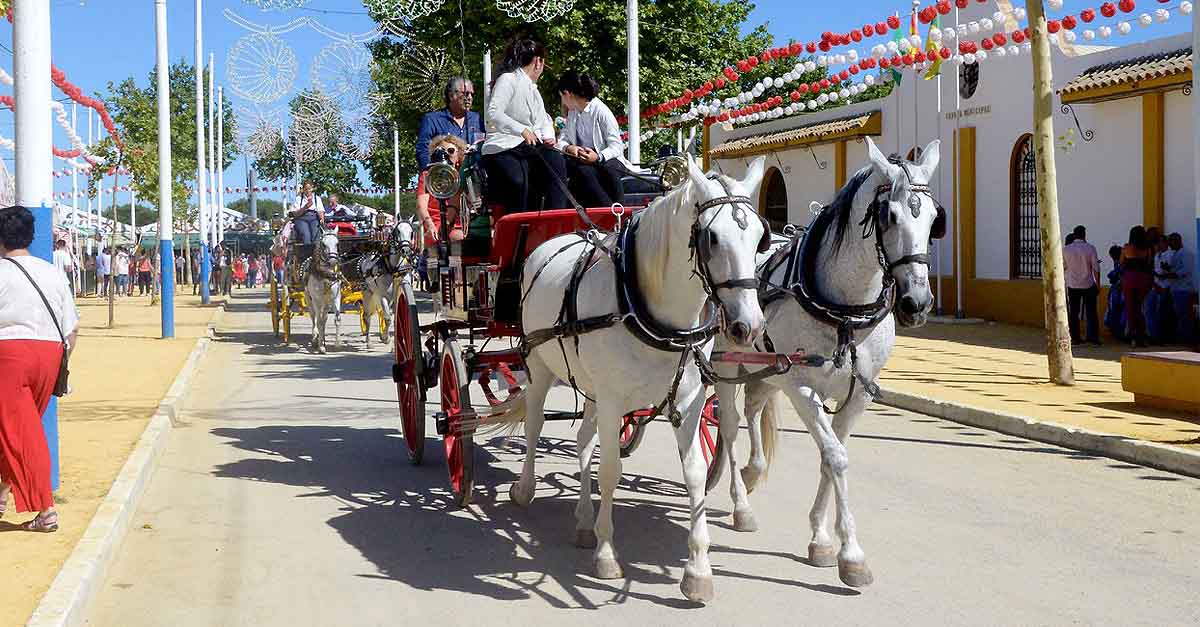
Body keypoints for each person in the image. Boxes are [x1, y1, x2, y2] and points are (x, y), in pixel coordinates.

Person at [0, 206, 79, 532]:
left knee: (21, 434)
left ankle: (46, 511)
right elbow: (71, 329)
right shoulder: (52, 273)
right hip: (50, 355)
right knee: (14, 430)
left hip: (9, 356)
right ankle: (3, 492)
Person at [481, 39, 568, 214]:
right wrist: (521, 129)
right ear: (538, 61)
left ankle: (554, 218)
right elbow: (493, 113)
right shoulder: (508, 79)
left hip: (527, 148)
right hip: (502, 146)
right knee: (518, 181)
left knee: (555, 160)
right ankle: (517, 226)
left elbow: (544, 119)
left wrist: (548, 135)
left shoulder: (533, 90)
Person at [555, 70, 635, 207]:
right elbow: (562, 140)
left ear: (567, 94)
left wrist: (598, 157)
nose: (562, 101)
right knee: (582, 171)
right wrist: (569, 147)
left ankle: (614, 210)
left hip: (607, 160)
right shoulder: (573, 113)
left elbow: (616, 146)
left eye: (561, 96)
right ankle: (607, 211)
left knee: (607, 170)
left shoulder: (601, 112)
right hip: (584, 161)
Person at [416, 76, 485, 170]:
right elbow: (423, 151)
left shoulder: (478, 119)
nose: (469, 98)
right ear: (451, 95)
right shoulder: (431, 120)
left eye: (472, 95)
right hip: (444, 177)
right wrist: (431, 175)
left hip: (473, 178)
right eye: (465, 93)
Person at [416, 134, 469, 248]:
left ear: (459, 154)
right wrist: (429, 225)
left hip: (461, 224)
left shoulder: (463, 174)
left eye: (450, 150)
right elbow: (421, 206)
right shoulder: (427, 175)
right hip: (435, 224)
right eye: (441, 151)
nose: (445, 154)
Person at [1063, 225, 1100, 346]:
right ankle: (1093, 338)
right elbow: (1096, 268)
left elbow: (1063, 267)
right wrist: (1098, 284)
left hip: (1073, 285)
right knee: (1091, 312)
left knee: (1074, 312)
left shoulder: (1066, 249)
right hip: (1088, 284)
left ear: (1074, 235)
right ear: (1084, 235)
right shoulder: (1090, 248)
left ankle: (1075, 338)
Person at [1121, 225, 1155, 347]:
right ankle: (1141, 336)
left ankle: (1133, 335)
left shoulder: (1126, 248)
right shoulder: (1148, 250)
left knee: (1131, 308)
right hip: (1143, 279)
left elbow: (1122, 264)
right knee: (1140, 308)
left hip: (1129, 279)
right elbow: (1149, 265)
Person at [1163, 233, 1195, 345]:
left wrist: (1171, 275)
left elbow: (1186, 270)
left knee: (1184, 316)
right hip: (1175, 289)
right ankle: (1181, 337)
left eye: (1171, 241)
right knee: (1178, 315)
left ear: (1177, 241)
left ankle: (1187, 339)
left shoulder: (1186, 253)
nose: (1169, 244)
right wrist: (1167, 269)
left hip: (1184, 289)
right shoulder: (1175, 254)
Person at [1146, 235, 1175, 343]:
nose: (1157, 245)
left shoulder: (1170, 255)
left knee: (1162, 313)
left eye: (1159, 243)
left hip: (1165, 287)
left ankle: (1161, 337)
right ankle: (1153, 335)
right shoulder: (1157, 255)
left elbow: (1169, 271)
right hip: (1155, 286)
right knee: (1150, 311)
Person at [291, 181, 324, 245]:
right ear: (303, 189)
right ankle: (307, 251)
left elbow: (321, 210)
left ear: (312, 189)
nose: (308, 191)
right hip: (302, 218)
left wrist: (322, 218)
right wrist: (305, 207)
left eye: (309, 189)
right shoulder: (298, 199)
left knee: (315, 235)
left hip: (314, 218)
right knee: (306, 236)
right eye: (306, 189)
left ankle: (316, 252)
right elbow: (295, 214)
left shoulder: (317, 198)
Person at [1104, 245, 1126, 340]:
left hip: (1119, 290)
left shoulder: (1120, 265)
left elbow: (1115, 276)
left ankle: (1118, 331)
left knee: (1115, 310)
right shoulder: (1119, 264)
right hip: (1118, 290)